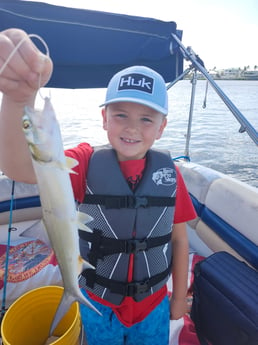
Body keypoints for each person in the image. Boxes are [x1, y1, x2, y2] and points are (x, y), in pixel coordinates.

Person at [0, 29, 197, 345]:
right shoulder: (83, 162)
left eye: (146, 119)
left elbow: (179, 237)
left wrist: (178, 297)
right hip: (98, 301)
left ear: (162, 128)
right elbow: (18, 166)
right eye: (121, 114)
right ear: (104, 118)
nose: (132, 126)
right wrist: (17, 100)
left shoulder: (169, 175)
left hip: (153, 305)